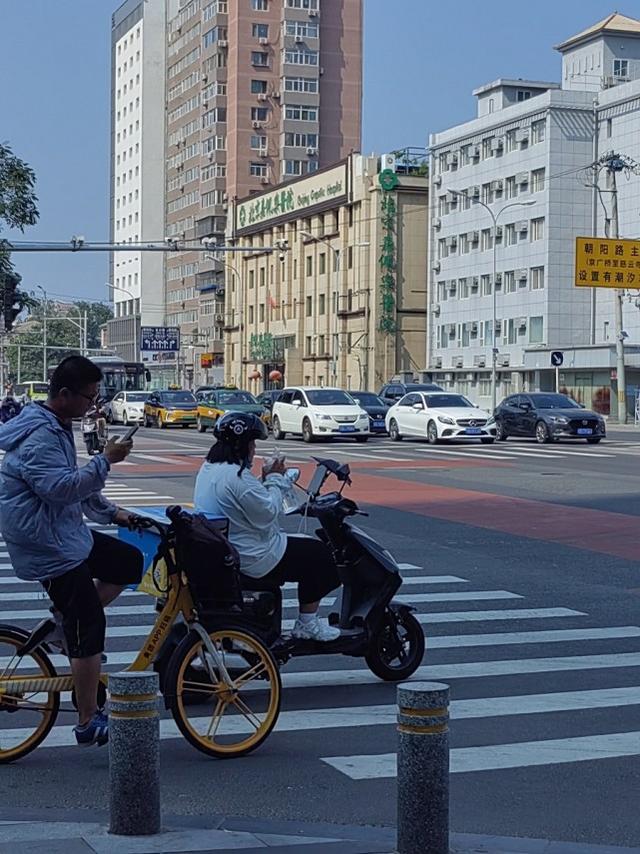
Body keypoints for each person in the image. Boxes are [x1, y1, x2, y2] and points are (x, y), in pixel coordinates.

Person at [0, 355, 143, 747]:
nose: (93, 406)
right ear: (63, 394)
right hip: (46, 544)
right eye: (89, 397)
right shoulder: (40, 436)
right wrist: (105, 460)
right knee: (90, 625)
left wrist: (117, 514)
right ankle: (86, 720)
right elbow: (60, 489)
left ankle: (65, 627)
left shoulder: (58, 425)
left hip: (62, 531)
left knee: (128, 561)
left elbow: (78, 490)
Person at [194, 412, 341, 642]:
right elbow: (268, 513)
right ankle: (307, 623)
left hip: (232, 547)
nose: (254, 449)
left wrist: (267, 480)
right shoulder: (236, 477)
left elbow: (250, 504)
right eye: (252, 443)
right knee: (322, 558)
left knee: (307, 550)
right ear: (241, 444)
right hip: (254, 554)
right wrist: (275, 478)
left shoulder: (210, 469)